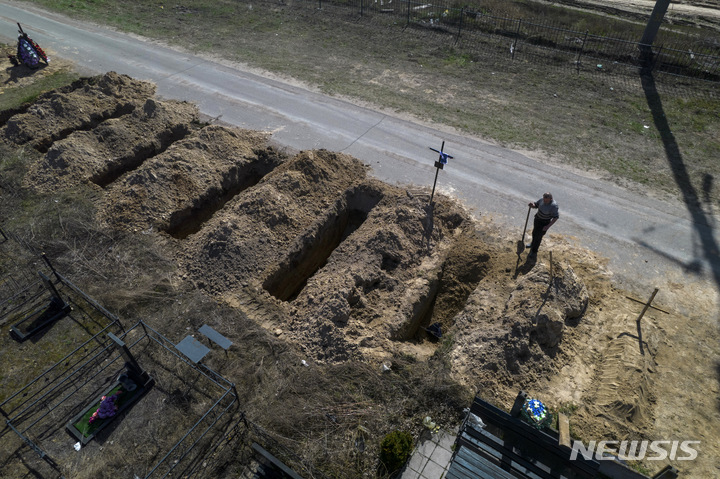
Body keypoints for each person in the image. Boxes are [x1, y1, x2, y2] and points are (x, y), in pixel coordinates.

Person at [527, 193, 559, 258]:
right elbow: (536, 205)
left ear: (551, 199)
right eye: (544, 199)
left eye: (546, 200)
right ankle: (532, 243)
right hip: (537, 219)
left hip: (545, 223)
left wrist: (547, 227)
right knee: (534, 233)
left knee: (538, 237)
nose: (544, 201)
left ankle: (534, 252)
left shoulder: (554, 206)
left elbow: (555, 217)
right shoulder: (541, 200)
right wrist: (532, 205)